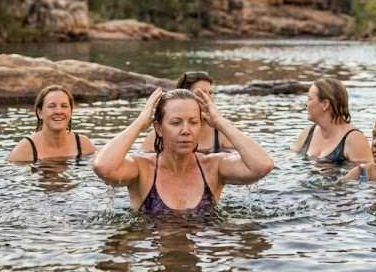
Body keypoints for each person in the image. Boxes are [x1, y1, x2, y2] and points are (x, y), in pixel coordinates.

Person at [92, 88, 274, 214]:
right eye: (175, 122)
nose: (186, 130)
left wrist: (219, 121)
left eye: (194, 122)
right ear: (159, 128)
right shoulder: (142, 169)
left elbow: (262, 166)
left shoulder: (213, 166)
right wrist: (140, 123)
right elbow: (103, 167)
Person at [140, 71, 233, 154]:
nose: (208, 98)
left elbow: (245, 162)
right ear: (185, 96)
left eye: (210, 93)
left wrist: (221, 123)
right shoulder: (161, 133)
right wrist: (140, 123)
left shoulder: (222, 130)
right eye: (201, 93)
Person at [290, 78, 373, 165]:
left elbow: (366, 174)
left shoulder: (354, 140)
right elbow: (289, 161)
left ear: (325, 104)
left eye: (310, 99)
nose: (306, 104)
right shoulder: (308, 133)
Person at [8, 85, 96, 162]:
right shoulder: (25, 150)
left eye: (64, 106)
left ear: (71, 111)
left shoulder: (83, 144)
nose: (59, 111)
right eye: (52, 106)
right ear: (40, 112)